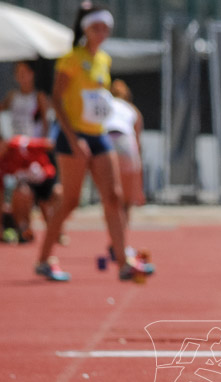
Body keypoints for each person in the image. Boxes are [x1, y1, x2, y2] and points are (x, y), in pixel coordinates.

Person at [37, 2, 153, 282]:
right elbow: (57, 99)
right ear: (86, 29)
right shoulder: (72, 59)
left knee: (113, 196)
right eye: (96, 27)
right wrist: (74, 138)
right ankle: (43, 259)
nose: (102, 33)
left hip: (98, 134)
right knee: (70, 201)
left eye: (106, 28)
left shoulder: (103, 60)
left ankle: (123, 260)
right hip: (73, 134)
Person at [0, 134, 62, 244]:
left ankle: (58, 231)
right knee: (21, 193)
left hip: (45, 178)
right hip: (29, 185)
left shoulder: (18, 144)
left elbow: (49, 144)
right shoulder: (2, 164)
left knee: (56, 196)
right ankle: (24, 230)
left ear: (3, 143)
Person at [105, 80, 145, 226]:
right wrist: (140, 187)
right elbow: (137, 143)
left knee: (110, 198)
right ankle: (121, 242)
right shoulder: (132, 109)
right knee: (126, 201)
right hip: (125, 142)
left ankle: (114, 238)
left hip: (106, 141)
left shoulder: (106, 105)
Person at [1, 61, 50, 139]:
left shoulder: (39, 96)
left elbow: (46, 122)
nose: (21, 76)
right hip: (15, 143)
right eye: (18, 72)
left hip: (34, 142)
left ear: (32, 73)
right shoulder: (12, 96)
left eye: (23, 72)